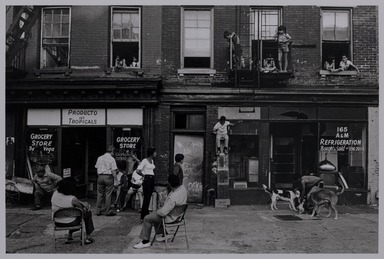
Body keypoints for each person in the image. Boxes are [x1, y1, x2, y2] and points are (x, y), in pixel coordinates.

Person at [133, 174, 188, 249]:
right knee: (155, 214)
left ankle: (145, 241)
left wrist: (158, 211)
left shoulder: (173, 197)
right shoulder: (183, 189)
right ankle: (162, 234)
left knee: (147, 218)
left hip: (171, 218)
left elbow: (163, 213)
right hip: (179, 216)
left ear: (169, 184)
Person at [51, 177, 95, 245]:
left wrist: (81, 202)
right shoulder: (73, 199)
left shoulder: (55, 194)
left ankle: (70, 236)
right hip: (72, 222)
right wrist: (85, 206)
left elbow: (65, 199)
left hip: (57, 222)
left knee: (71, 215)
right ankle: (88, 237)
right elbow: (81, 210)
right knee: (86, 213)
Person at [95, 145, 119, 216]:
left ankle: (98, 211)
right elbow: (114, 171)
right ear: (112, 151)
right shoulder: (111, 159)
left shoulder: (99, 158)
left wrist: (99, 176)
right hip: (108, 177)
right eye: (114, 152)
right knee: (108, 194)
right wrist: (116, 181)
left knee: (99, 194)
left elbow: (97, 168)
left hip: (100, 176)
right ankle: (108, 211)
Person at [136, 147, 157, 220]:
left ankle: (146, 213)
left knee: (149, 197)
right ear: (151, 153)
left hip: (151, 179)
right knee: (146, 198)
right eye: (154, 152)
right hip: (147, 179)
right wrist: (143, 175)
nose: (156, 153)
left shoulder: (152, 161)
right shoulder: (144, 161)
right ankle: (143, 215)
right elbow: (138, 170)